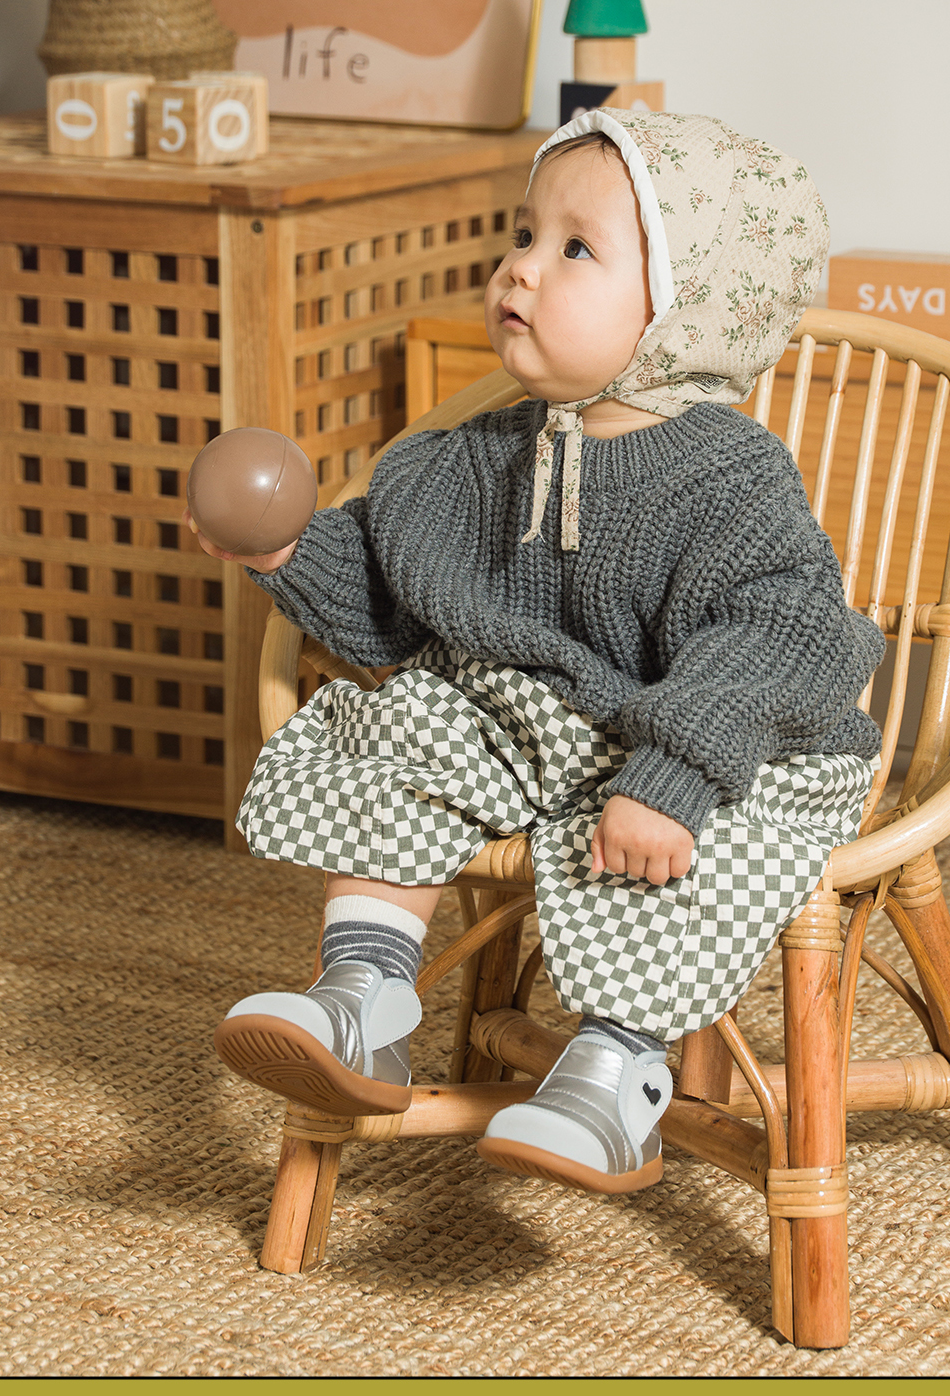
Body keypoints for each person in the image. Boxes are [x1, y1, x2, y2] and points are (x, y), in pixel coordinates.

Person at [192, 109, 886, 1195]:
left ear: (680, 309)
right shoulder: (477, 458)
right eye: (523, 235)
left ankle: (615, 1073)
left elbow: (784, 637)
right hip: (545, 735)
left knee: (687, 847)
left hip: (722, 743)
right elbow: (394, 593)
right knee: (398, 721)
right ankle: (365, 997)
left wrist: (672, 776)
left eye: (574, 249)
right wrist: (284, 546)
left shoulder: (729, 479)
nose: (520, 267)